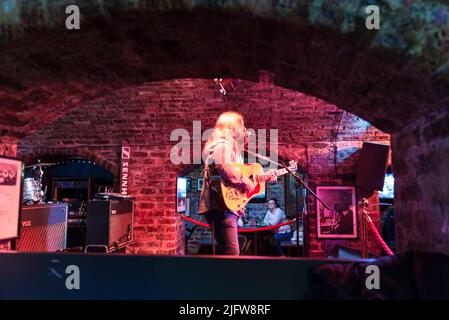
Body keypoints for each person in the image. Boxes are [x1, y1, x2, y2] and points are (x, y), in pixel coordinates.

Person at [198, 111, 276, 255]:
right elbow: (225, 168)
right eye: (242, 126)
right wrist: (246, 182)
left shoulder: (232, 149)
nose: (244, 129)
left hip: (226, 208)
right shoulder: (222, 145)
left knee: (228, 251)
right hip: (221, 209)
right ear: (233, 128)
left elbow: (238, 177)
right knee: (232, 254)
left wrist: (264, 177)